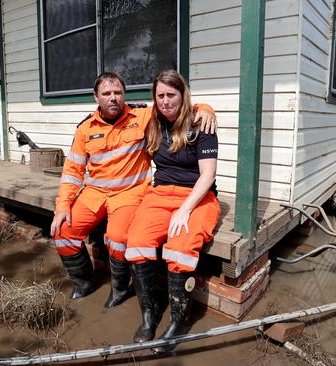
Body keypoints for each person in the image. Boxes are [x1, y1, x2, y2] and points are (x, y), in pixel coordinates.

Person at [50, 72, 216, 308]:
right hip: (94, 193)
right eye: (106, 93)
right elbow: (72, 171)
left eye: (118, 92)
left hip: (130, 192)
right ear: (96, 97)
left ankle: (119, 288)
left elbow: (174, 105)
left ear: (124, 95)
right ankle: (83, 282)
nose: (113, 98)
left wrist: (206, 108)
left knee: (118, 238)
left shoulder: (143, 115)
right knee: (62, 230)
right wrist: (63, 205)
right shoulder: (85, 129)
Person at [124, 70, 220, 352]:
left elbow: (208, 176)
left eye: (171, 95)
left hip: (197, 196)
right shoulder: (151, 120)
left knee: (180, 247)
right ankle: (150, 313)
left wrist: (184, 210)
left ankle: (180, 320)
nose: (165, 101)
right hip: (160, 193)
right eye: (160, 95)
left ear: (182, 95)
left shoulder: (201, 123)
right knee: (137, 242)